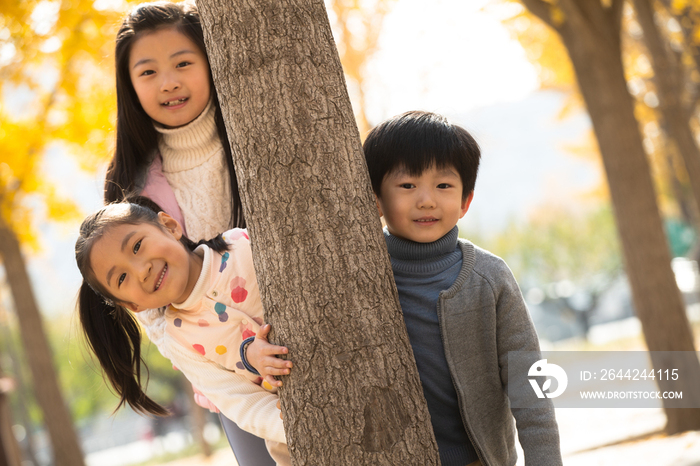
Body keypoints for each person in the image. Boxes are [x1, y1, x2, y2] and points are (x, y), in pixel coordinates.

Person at [247, 111, 563, 466]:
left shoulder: (489, 278)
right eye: (407, 185)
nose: (426, 200)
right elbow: (283, 339)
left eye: (443, 186)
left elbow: (530, 383)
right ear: (376, 200)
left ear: (465, 202)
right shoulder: (351, 274)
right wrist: (251, 353)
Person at [102, 1, 277, 464]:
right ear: (130, 85)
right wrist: (232, 358)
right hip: (226, 366)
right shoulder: (131, 185)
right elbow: (152, 313)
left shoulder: (258, 132)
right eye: (148, 72)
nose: (169, 82)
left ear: (209, 59)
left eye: (183, 63)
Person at [75, 201, 291, 465]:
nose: (142, 271)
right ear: (133, 306)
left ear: (169, 226)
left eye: (137, 246)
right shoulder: (180, 341)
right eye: (122, 278)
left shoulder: (241, 245)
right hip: (289, 435)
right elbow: (238, 401)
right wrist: (293, 424)